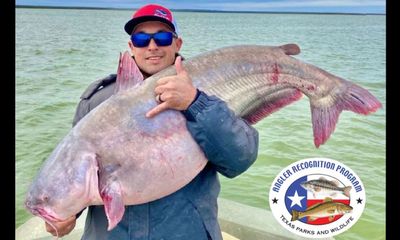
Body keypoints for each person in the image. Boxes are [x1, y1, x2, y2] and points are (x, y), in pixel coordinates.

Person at [44, 4, 259, 240]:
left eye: (163, 37)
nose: (152, 46)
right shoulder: (98, 100)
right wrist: (66, 213)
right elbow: (75, 168)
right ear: (131, 47)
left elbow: (238, 160)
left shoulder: (211, 91)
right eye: (141, 39)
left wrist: (195, 103)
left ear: (177, 44)